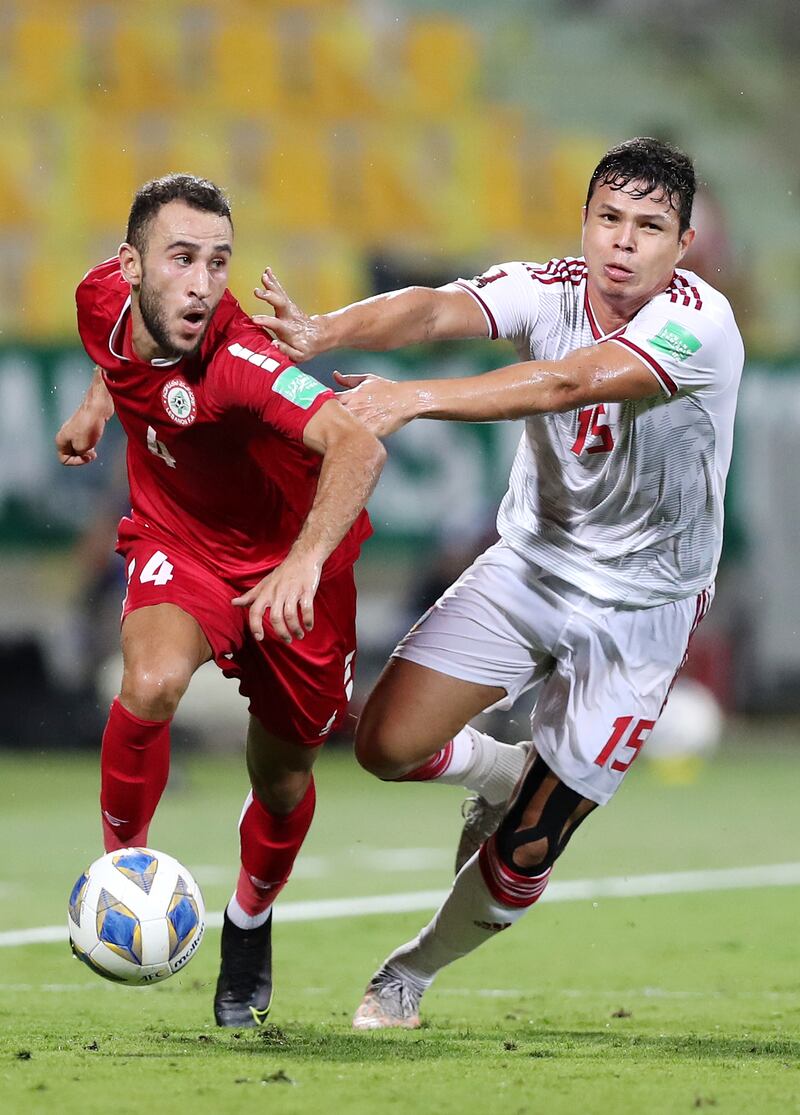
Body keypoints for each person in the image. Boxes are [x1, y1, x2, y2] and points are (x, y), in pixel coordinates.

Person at [251, 138, 744, 1029]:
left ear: (683, 244)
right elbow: (436, 309)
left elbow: (565, 383)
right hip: (531, 565)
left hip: (644, 609)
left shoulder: (700, 323)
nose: (624, 243)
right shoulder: (551, 288)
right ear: (586, 220)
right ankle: (502, 767)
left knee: (523, 853)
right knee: (383, 744)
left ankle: (408, 973)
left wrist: (414, 398)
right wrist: (328, 330)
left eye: (650, 227)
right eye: (609, 218)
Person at [55, 174, 385, 1027]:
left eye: (218, 262)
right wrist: (98, 405)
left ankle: (249, 917)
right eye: (181, 259)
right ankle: (123, 875)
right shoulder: (100, 297)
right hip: (180, 539)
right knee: (152, 682)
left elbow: (357, 444)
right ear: (130, 266)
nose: (203, 284)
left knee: (280, 781)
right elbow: (117, 348)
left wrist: (307, 560)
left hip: (293, 567)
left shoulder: (240, 360)